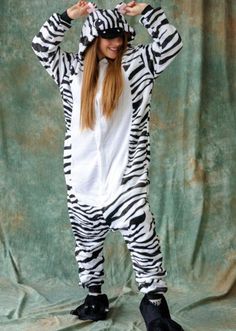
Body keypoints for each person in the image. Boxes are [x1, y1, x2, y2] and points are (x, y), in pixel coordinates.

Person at [32, 1, 183, 330]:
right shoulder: (70, 70)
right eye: (108, 36)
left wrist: (146, 11)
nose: (117, 42)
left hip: (124, 180)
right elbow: (41, 45)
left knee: (143, 238)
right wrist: (68, 17)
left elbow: (171, 42)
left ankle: (155, 305)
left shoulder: (137, 64)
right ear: (92, 38)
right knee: (86, 245)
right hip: (82, 181)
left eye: (121, 36)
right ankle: (94, 296)